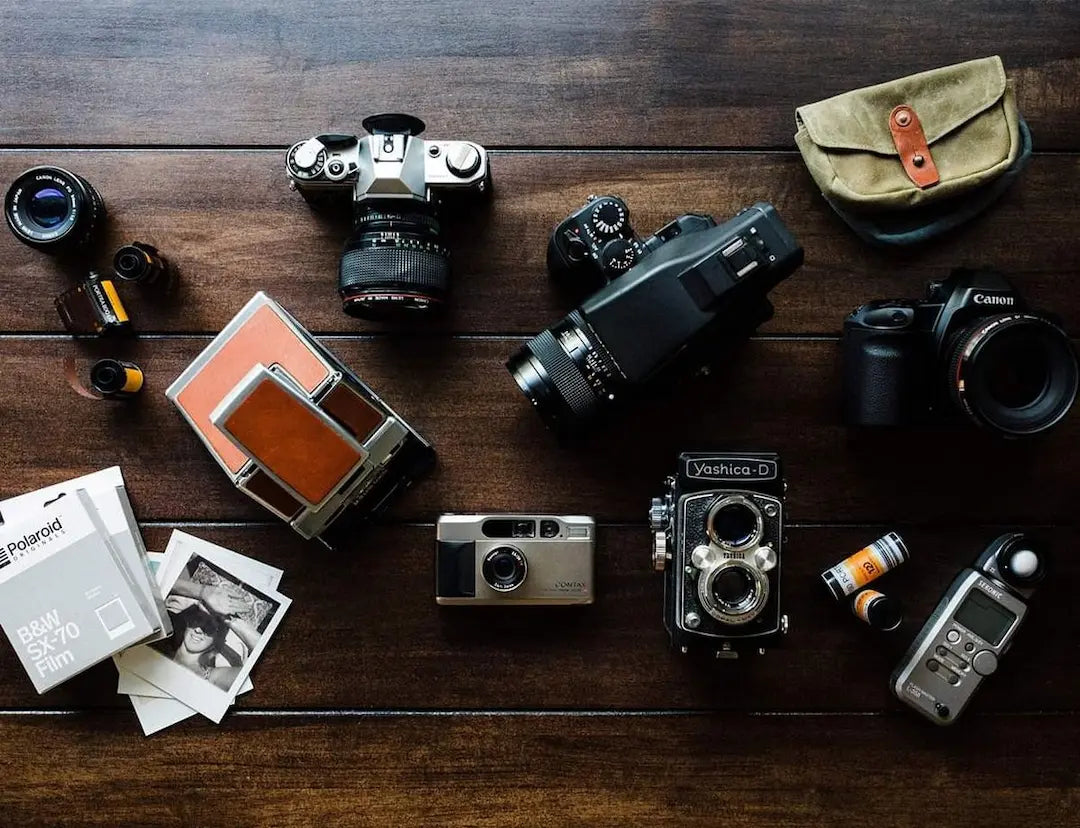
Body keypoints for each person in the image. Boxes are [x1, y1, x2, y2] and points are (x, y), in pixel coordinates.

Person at [157, 570, 262, 690]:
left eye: (209, 628)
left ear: (215, 642)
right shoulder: (161, 636)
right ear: (187, 624)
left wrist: (230, 620)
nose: (198, 630)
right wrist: (202, 591)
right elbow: (151, 584)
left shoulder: (214, 677)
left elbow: (267, 664)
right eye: (197, 621)